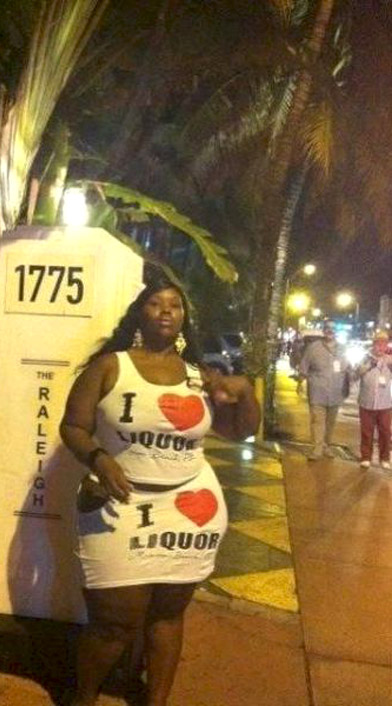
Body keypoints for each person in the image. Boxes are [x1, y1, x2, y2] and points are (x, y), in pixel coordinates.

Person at [60, 275, 260, 706]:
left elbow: (239, 431)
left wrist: (245, 392)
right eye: (156, 303)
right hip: (120, 501)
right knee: (114, 621)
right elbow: (73, 426)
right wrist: (99, 459)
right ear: (139, 313)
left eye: (175, 304)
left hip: (188, 506)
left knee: (168, 614)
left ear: (184, 318)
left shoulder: (199, 376)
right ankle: (83, 698)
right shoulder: (110, 366)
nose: (167, 310)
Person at [299, 320, 349, 461]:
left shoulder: (342, 349)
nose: (330, 331)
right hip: (317, 391)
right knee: (317, 421)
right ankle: (317, 448)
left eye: (332, 328)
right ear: (323, 330)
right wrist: (300, 382)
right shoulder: (313, 348)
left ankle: (326, 446)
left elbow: (347, 369)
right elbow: (304, 366)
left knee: (330, 423)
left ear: (335, 331)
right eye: (327, 328)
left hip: (336, 392)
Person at [354, 331, 392, 470]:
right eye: (378, 343)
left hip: (384, 404)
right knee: (366, 432)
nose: (381, 347)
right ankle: (366, 457)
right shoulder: (365, 358)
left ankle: (384, 458)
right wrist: (369, 365)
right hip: (366, 402)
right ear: (374, 344)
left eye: (384, 344)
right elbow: (355, 374)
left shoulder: (390, 360)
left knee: (385, 432)